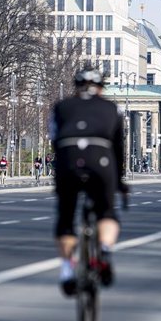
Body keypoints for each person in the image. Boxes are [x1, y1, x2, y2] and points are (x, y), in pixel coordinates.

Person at [50, 66, 128, 296]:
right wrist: (120, 183)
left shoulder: (61, 107)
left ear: (76, 87)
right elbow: (118, 148)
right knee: (106, 213)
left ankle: (66, 271)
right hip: (101, 162)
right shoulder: (111, 108)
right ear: (101, 88)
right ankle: (104, 251)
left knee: (65, 219)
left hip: (68, 161)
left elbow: (54, 141)